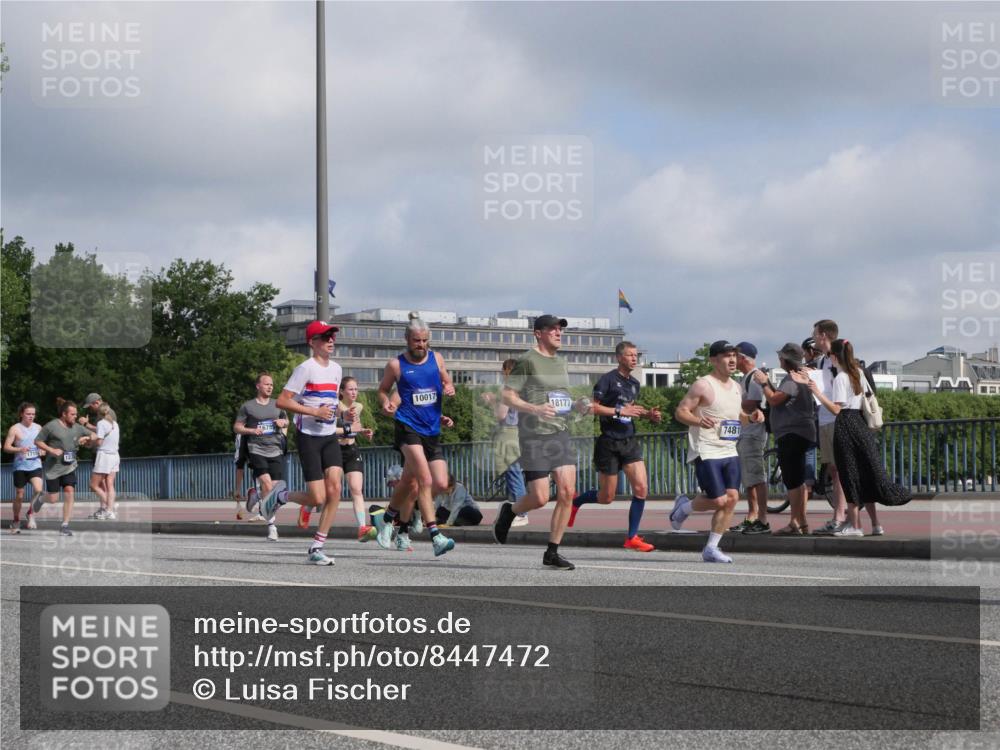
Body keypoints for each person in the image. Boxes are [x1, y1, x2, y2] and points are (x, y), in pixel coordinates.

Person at [492, 314, 591, 571]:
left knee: (568, 492)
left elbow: (559, 399)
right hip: (533, 436)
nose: (558, 333)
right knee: (539, 498)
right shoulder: (527, 360)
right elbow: (508, 395)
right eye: (552, 329)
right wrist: (535, 409)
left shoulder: (561, 362)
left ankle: (552, 551)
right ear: (538, 333)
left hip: (559, 433)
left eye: (560, 329)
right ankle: (510, 511)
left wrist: (575, 405)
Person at [249, 321, 347, 565]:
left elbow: (330, 400)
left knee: (335, 490)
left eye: (332, 336)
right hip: (309, 438)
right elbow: (282, 401)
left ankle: (317, 547)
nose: (331, 340)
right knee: (317, 498)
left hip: (328, 436)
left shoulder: (337, 368)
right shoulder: (305, 369)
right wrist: (315, 413)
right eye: (325, 337)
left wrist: (341, 413)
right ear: (312, 343)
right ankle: (282, 495)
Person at [669, 341, 765, 563]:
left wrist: (750, 417)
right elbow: (681, 412)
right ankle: (683, 508)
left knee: (731, 498)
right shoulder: (703, 385)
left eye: (734, 355)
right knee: (720, 499)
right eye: (725, 356)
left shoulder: (736, 386)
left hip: (729, 448)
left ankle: (712, 548)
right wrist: (698, 420)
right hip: (706, 449)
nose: (732, 360)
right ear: (713, 360)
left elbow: (735, 415)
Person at [374, 313, 457, 557]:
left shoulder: (437, 358)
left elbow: (445, 379)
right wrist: (386, 403)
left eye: (424, 341)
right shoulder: (396, 365)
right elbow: (382, 390)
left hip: (431, 428)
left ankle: (388, 518)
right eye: (416, 341)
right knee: (425, 480)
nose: (420, 345)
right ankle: (435, 536)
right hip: (407, 427)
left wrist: (449, 386)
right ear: (407, 339)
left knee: (437, 483)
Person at [568, 340, 663, 552]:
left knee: (641, 489)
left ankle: (632, 537)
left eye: (636, 355)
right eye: (630, 355)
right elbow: (590, 408)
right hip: (608, 443)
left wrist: (649, 415)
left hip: (629, 441)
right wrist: (620, 412)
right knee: (606, 498)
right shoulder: (607, 380)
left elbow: (628, 410)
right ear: (619, 357)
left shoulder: (634, 384)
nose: (634, 358)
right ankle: (576, 502)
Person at [807, 339, 909, 534]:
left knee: (849, 475)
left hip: (845, 425)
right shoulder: (859, 373)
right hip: (861, 424)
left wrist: (818, 393)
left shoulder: (841, 379)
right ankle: (875, 524)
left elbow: (837, 409)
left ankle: (855, 525)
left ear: (835, 357)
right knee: (865, 474)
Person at [754, 343, 816, 535]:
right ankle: (801, 522)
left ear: (786, 359)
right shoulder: (803, 377)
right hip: (804, 431)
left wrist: (764, 383)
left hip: (792, 432)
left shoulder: (792, 379)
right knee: (798, 479)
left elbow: (774, 400)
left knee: (792, 479)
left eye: (781, 357)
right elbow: (781, 397)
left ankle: (795, 522)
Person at [236, 372, 289, 541]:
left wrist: (283, 423)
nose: (270, 387)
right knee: (266, 483)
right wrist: (251, 430)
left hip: (275, 449)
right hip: (256, 449)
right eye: (266, 384)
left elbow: (287, 421)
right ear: (258, 386)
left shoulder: (278, 405)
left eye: (272, 385)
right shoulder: (248, 406)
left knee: (274, 490)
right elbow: (237, 427)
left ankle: (256, 496)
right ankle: (272, 526)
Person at [29, 399, 95, 536]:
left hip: (69, 466)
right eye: (72, 414)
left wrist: (87, 439)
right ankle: (41, 499)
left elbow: (94, 435)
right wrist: (50, 450)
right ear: (64, 414)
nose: (75, 417)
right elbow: (37, 441)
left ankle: (64, 525)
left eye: (76, 414)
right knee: (53, 499)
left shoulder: (77, 427)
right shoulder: (51, 426)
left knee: (70, 492)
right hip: (53, 468)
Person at [810, 320, 850, 535]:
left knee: (840, 469)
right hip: (824, 418)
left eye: (815, 333)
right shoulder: (822, 361)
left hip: (837, 418)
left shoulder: (838, 357)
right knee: (833, 469)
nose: (814, 337)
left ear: (823, 335)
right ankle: (840, 514)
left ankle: (841, 515)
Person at [480, 358, 528, 527]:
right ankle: (514, 512)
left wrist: (492, 401)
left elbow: (501, 415)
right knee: (515, 473)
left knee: (513, 473)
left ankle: (521, 513)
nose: (501, 373)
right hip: (520, 434)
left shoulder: (508, 389)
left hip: (508, 434)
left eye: (503, 370)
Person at [330, 376, 377, 541]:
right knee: (328, 491)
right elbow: (330, 428)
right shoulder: (335, 405)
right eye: (350, 389)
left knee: (356, 489)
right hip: (334, 449)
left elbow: (353, 428)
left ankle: (362, 528)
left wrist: (363, 431)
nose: (354, 392)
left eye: (356, 389)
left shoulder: (359, 406)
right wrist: (346, 426)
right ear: (341, 391)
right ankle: (308, 507)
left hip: (351, 450)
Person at [731, 341, 770, 535]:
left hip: (753, 432)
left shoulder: (753, 378)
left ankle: (761, 518)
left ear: (743, 358)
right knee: (749, 477)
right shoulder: (746, 378)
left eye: (735, 356)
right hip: (747, 432)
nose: (732, 359)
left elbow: (753, 403)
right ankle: (752, 515)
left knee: (756, 475)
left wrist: (731, 402)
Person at [3, 402, 45, 533]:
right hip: (20, 466)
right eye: (28, 414)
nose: (31, 416)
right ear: (21, 414)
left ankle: (30, 513)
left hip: (35, 464)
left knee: (39, 490)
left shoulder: (38, 428)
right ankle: (16, 519)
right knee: (20, 495)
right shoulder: (15, 429)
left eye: (33, 414)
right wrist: (20, 449)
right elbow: (6, 447)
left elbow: (43, 445)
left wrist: (43, 451)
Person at [89, 404, 121, 520]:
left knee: (93, 485)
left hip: (104, 456)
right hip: (115, 455)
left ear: (99, 413)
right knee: (110, 484)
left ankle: (109, 506)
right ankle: (110, 511)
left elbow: (99, 442)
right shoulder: (115, 424)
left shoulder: (101, 423)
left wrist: (90, 441)